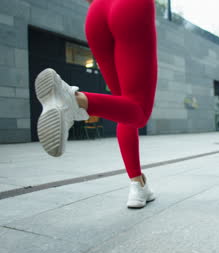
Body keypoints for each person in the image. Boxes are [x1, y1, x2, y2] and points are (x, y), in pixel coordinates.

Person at [34, 0, 158, 209]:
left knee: (123, 106)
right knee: (139, 111)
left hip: (96, 13)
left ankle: (138, 184)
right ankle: (75, 101)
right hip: (130, 8)